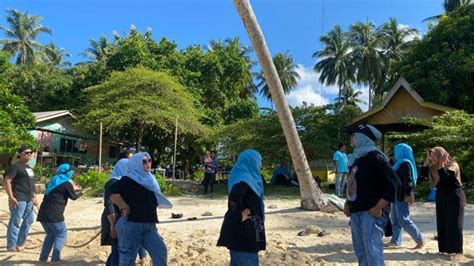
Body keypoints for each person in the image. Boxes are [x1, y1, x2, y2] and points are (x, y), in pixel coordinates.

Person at [344, 124, 398, 266]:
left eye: (353, 135)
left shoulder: (376, 157)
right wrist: (348, 202)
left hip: (372, 212)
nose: (351, 138)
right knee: (361, 252)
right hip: (356, 210)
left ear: (363, 137)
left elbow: (393, 184)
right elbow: (354, 184)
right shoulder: (356, 158)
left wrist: (379, 207)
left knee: (372, 251)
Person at [110, 152, 173, 266]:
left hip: (150, 226)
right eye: (144, 161)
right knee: (127, 259)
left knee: (160, 251)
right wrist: (124, 206)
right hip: (131, 225)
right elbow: (112, 194)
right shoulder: (127, 179)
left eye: (149, 160)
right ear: (136, 163)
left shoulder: (150, 179)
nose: (148, 163)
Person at [217, 149, 266, 266]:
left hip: (248, 233)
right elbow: (234, 196)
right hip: (245, 235)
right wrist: (238, 216)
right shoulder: (244, 178)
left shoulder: (251, 178)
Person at [101, 158, 149, 266]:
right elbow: (109, 206)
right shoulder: (113, 183)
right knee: (118, 252)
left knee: (119, 251)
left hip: (125, 221)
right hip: (115, 221)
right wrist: (113, 226)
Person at [422, 147, 465, 261]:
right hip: (441, 196)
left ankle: (458, 250)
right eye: (430, 156)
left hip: (454, 196)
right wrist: (427, 159)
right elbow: (423, 174)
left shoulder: (453, 165)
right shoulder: (433, 167)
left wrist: (441, 164)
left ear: (441, 155)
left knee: (454, 223)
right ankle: (445, 249)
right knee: (442, 222)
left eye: (433, 155)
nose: (432, 158)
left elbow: (446, 179)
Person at [37, 164, 83, 262]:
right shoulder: (66, 183)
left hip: (43, 212)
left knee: (50, 234)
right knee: (61, 233)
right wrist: (82, 192)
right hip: (54, 213)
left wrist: (73, 188)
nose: (72, 174)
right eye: (72, 172)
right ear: (68, 173)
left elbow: (60, 191)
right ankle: (55, 260)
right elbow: (74, 197)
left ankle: (42, 259)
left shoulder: (54, 180)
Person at [385, 143, 425, 249]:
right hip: (395, 194)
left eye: (396, 150)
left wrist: (408, 194)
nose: (395, 153)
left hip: (403, 195)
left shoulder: (405, 164)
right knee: (394, 218)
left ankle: (420, 239)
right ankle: (395, 240)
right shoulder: (398, 163)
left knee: (403, 219)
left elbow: (408, 180)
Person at [4, 145, 38, 252]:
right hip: (19, 198)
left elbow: (30, 184)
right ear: (20, 154)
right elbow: (7, 181)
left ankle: (20, 243)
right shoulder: (15, 167)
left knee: (29, 220)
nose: (29, 154)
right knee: (15, 221)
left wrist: (34, 196)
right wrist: (11, 197)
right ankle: (11, 245)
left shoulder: (29, 168)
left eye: (30, 152)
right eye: (27, 152)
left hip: (29, 199)